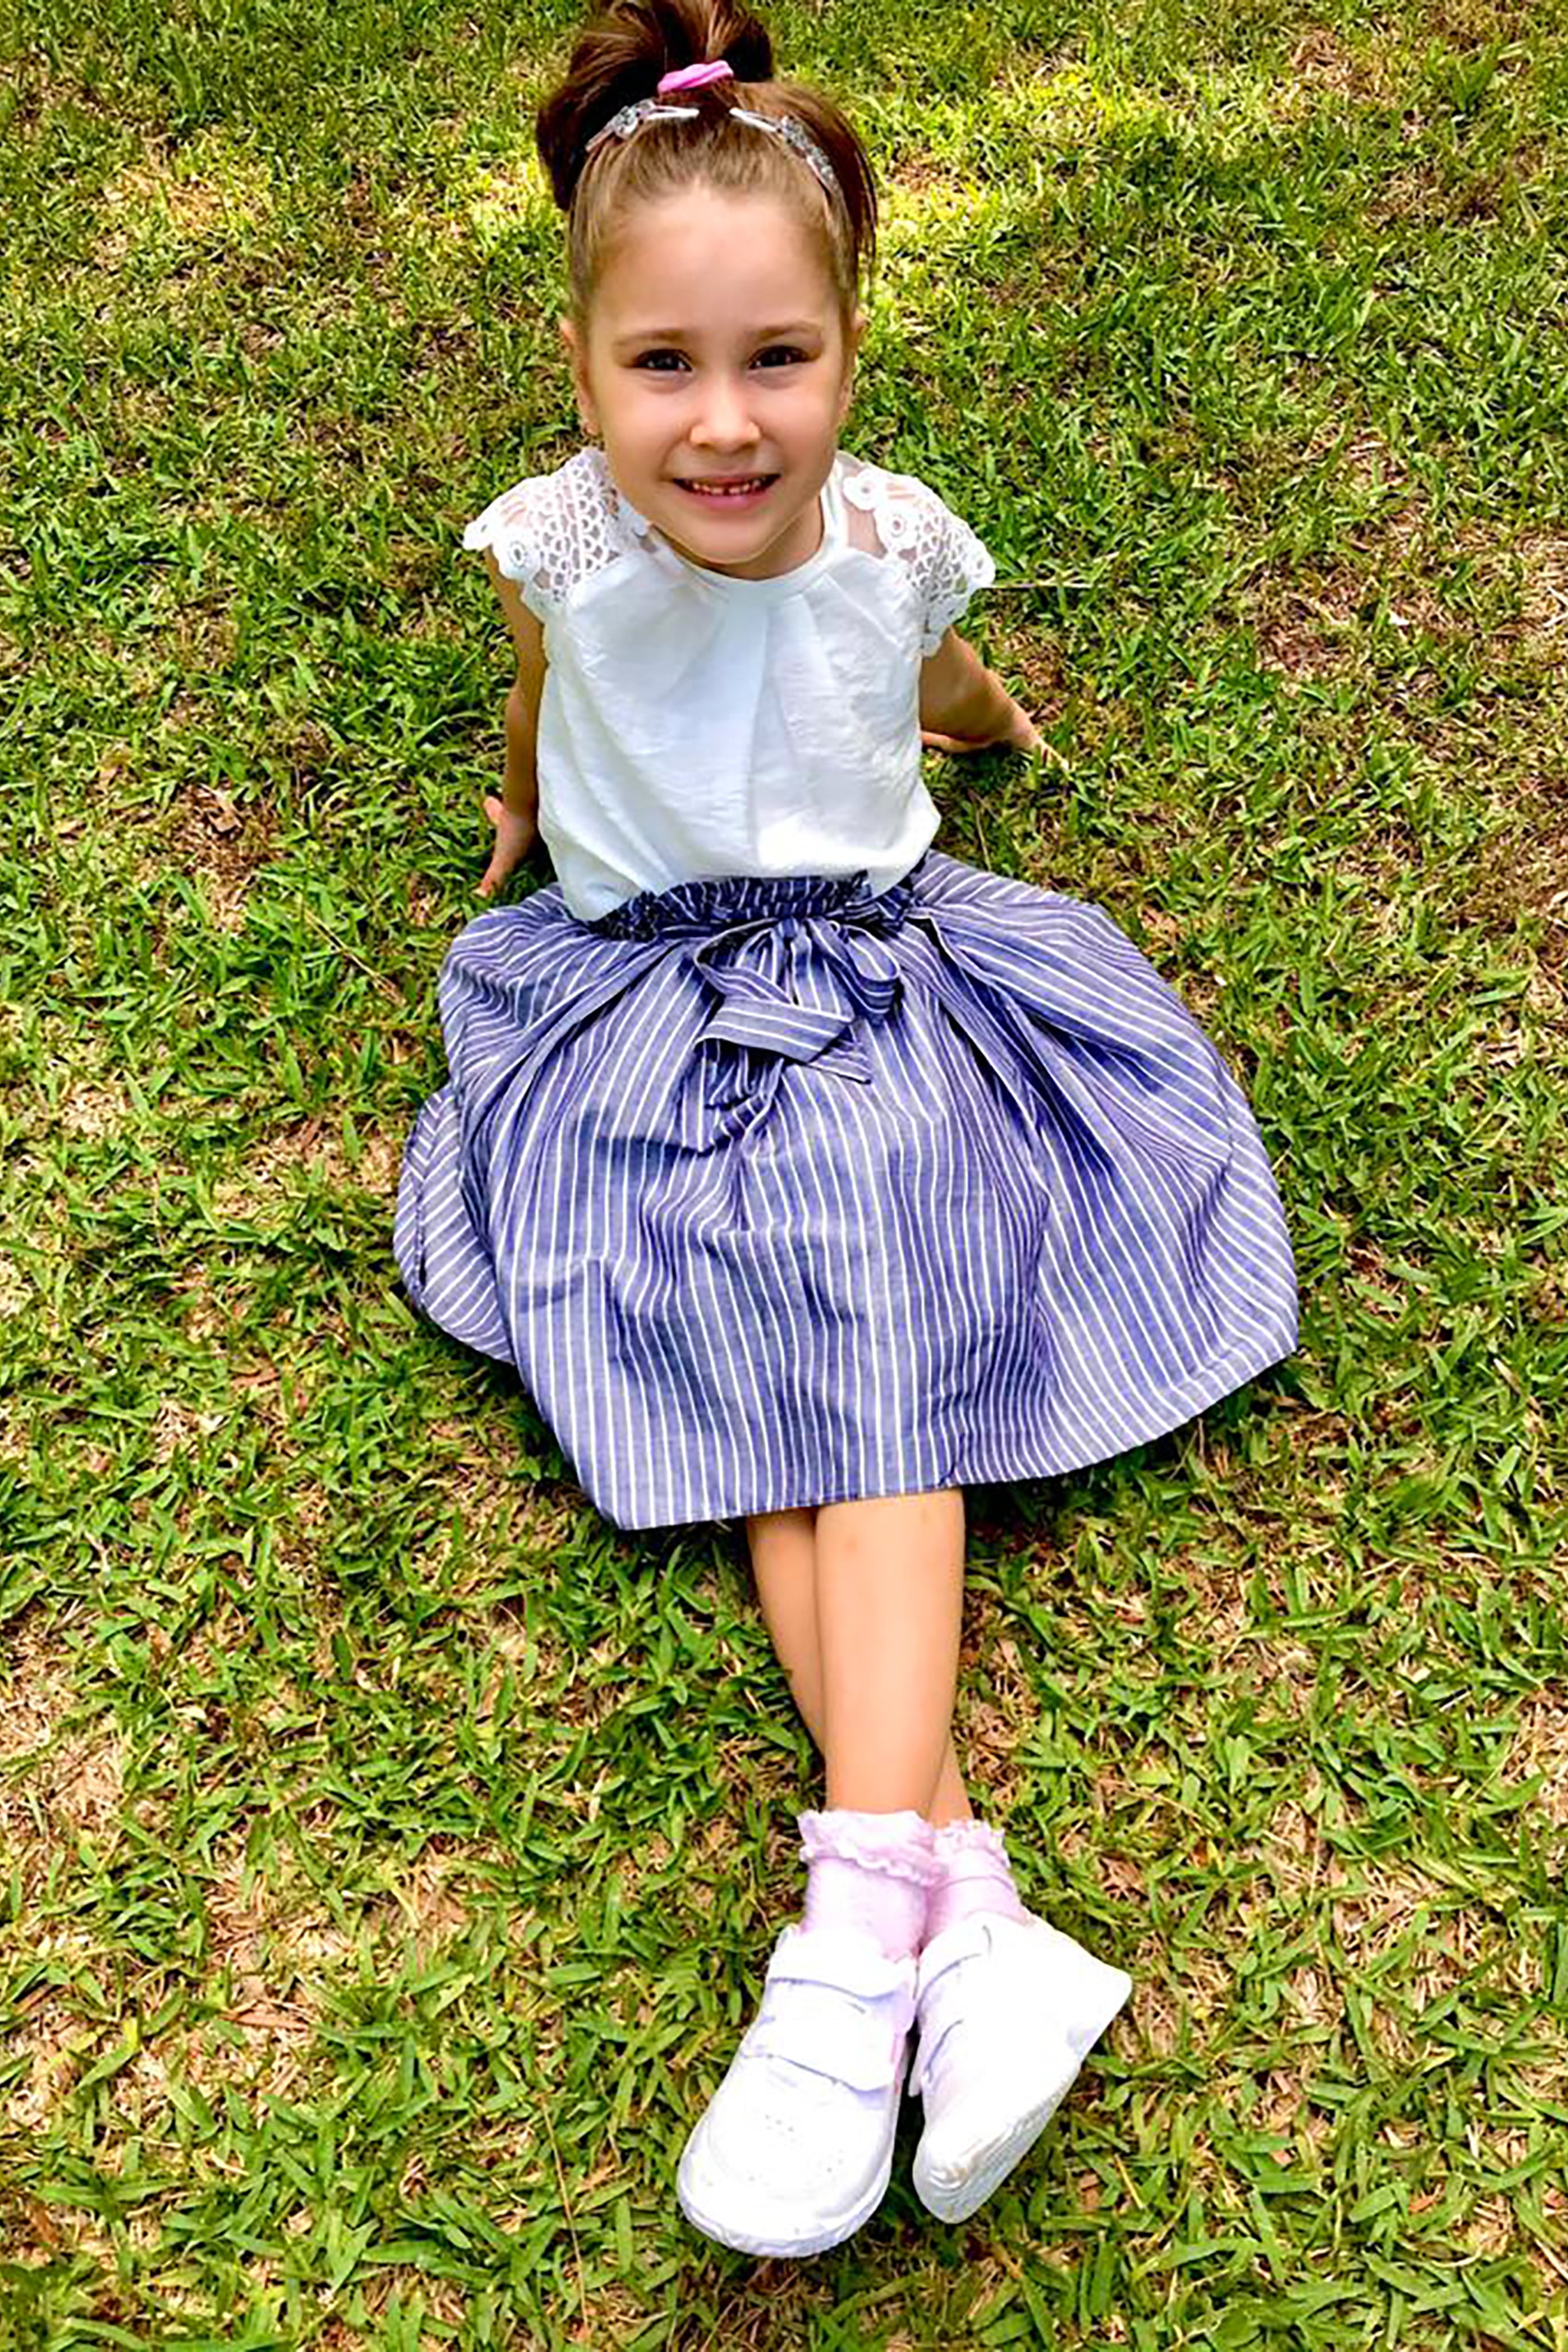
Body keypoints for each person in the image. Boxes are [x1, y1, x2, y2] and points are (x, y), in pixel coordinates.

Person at [395, 0, 1297, 2259]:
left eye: (777, 360)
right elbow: (548, 686)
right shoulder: (561, 547)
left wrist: (992, 725)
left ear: (851, 351)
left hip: (880, 976)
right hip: (637, 991)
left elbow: (927, 675)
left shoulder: (892, 538)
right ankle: (960, 1923)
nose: (723, 422)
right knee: (770, 1368)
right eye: (663, 367)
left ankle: (857, 1933)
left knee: (861, 1339)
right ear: (581, 368)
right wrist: (521, 807)